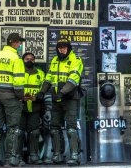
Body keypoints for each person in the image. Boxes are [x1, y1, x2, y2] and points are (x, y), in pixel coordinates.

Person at [37, 38, 83, 166]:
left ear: (69, 48)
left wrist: (62, 92)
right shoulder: (55, 60)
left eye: (64, 47)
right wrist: (42, 91)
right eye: (60, 47)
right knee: (54, 127)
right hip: (56, 98)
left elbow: (73, 79)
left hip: (70, 98)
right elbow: (49, 78)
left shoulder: (76, 60)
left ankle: (75, 155)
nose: (62, 49)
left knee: (71, 128)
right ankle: (58, 154)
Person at [0, 33, 26, 167]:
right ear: (13, 43)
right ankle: (10, 159)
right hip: (11, 98)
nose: (20, 46)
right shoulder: (16, 58)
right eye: (19, 43)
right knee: (12, 128)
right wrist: (21, 97)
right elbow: (18, 82)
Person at [17, 52, 45, 165]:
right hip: (20, 107)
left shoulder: (41, 73)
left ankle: (33, 155)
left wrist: (38, 97)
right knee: (19, 133)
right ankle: (17, 156)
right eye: (27, 59)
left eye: (32, 59)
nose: (29, 61)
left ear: (34, 61)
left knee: (34, 132)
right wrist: (20, 97)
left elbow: (44, 90)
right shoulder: (17, 72)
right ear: (22, 60)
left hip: (35, 107)